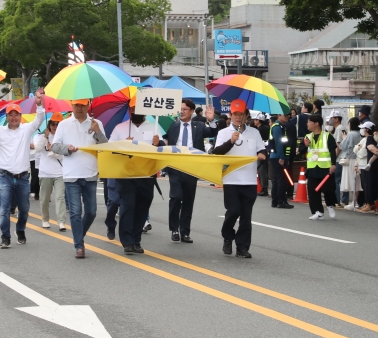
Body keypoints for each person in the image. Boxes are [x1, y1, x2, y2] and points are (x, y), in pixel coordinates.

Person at [0, 95, 45, 248]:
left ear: (20, 116)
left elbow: (39, 119)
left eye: (16, 114)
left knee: (24, 209)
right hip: (5, 176)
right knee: (4, 209)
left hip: (23, 177)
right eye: (10, 114)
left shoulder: (26, 129)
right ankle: (5, 237)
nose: (13, 117)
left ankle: (20, 230)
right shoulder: (0, 131)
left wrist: (39, 105)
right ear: (7, 117)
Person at [51, 98, 107, 259]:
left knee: (91, 212)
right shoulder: (64, 124)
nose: (79, 108)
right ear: (72, 105)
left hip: (90, 174)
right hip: (71, 175)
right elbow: (54, 146)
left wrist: (97, 131)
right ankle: (79, 246)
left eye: (82, 105)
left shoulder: (96, 123)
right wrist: (67, 148)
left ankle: (78, 235)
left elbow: (105, 146)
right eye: (76, 105)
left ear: (88, 106)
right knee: (75, 212)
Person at [213, 99, 267, 258]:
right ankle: (227, 236)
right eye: (235, 114)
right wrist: (231, 141)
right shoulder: (223, 133)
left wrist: (262, 154)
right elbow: (216, 153)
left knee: (246, 215)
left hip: (249, 181)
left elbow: (262, 149)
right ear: (230, 115)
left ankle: (242, 247)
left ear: (246, 116)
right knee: (233, 211)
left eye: (241, 114)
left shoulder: (254, 132)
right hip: (231, 180)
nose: (238, 117)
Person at [158, 98, 217, 243]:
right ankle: (174, 228)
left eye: (185, 109)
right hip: (175, 166)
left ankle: (185, 232)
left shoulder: (199, 125)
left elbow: (213, 132)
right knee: (176, 197)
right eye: (180, 109)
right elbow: (161, 140)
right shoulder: (172, 125)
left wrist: (212, 120)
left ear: (191, 111)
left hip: (192, 167)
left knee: (188, 200)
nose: (182, 112)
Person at [109, 103, 160, 254]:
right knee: (128, 206)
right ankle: (127, 241)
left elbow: (162, 149)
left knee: (142, 208)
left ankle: (136, 240)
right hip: (126, 175)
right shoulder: (120, 128)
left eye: (138, 109)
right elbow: (110, 149)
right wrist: (123, 143)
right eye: (132, 109)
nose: (134, 112)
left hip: (146, 175)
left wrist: (159, 143)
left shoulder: (154, 127)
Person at [297, 114, 338, 220]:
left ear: (316, 124)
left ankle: (330, 205)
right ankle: (318, 211)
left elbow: (332, 151)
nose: (307, 124)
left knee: (328, 189)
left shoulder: (327, 136)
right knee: (312, 190)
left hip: (325, 167)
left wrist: (333, 164)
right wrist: (305, 145)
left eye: (309, 122)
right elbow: (300, 151)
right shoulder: (307, 137)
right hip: (312, 167)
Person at [35, 113, 67, 231]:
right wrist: (45, 138)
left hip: (60, 173)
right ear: (49, 124)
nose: (55, 126)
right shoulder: (40, 137)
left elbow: (64, 155)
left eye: (58, 124)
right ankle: (45, 219)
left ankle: (61, 222)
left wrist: (52, 150)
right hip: (45, 172)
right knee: (44, 198)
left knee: (60, 197)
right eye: (53, 124)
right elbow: (37, 149)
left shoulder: (63, 138)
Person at [268, 111, 295, 209]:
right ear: (278, 116)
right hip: (278, 156)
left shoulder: (280, 126)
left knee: (277, 179)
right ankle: (281, 201)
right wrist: (282, 157)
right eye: (285, 115)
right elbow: (279, 143)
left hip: (276, 156)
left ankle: (275, 201)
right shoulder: (277, 127)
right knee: (281, 179)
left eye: (288, 115)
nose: (287, 117)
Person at [338, 117, 361, 209]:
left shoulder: (351, 134)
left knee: (351, 180)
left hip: (350, 159)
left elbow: (342, 146)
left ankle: (353, 202)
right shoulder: (360, 134)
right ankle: (355, 201)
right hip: (358, 159)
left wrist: (344, 138)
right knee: (357, 181)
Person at [254, 113, 270, 196]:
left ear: (259, 121)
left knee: (262, 170)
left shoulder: (259, 130)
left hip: (261, 152)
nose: (254, 121)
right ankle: (264, 188)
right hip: (266, 151)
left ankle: (264, 188)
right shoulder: (267, 128)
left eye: (256, 120)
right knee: (263, 170)